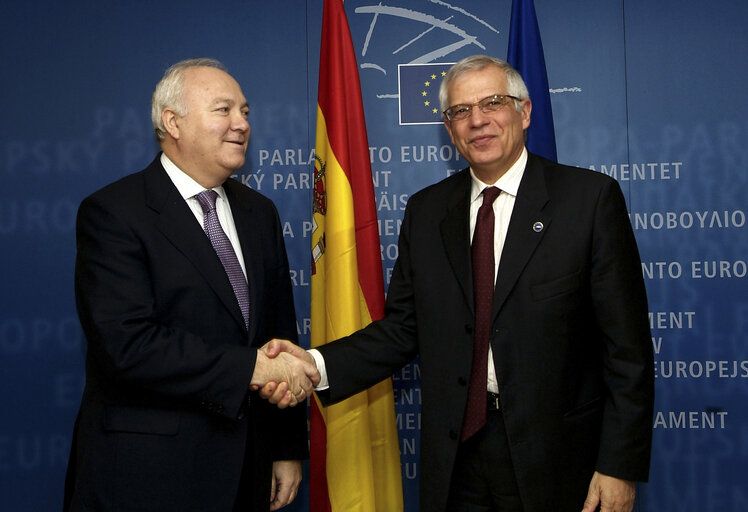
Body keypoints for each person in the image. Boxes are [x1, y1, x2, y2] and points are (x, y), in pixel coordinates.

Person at [263, 55, 654, 512]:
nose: (478, 121)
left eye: (493, 103)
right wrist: (313, 365)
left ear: (524, 112)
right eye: (461, 112)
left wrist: (619, 466)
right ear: (449, 130)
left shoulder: (588, 201)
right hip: (457, 459)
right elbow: (401, 330)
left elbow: (627, 352)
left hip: (559, 460)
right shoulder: (427, 211)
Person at [63, 58, 318, 512]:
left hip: (247, 467)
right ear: (172, 121)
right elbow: (127, 345)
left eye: (245, 111)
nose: (242, 123)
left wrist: (284, 446)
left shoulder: (260, 212)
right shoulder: (115, 212)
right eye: (224, 110)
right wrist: (252, 369)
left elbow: (278, 337)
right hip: (148, 475)